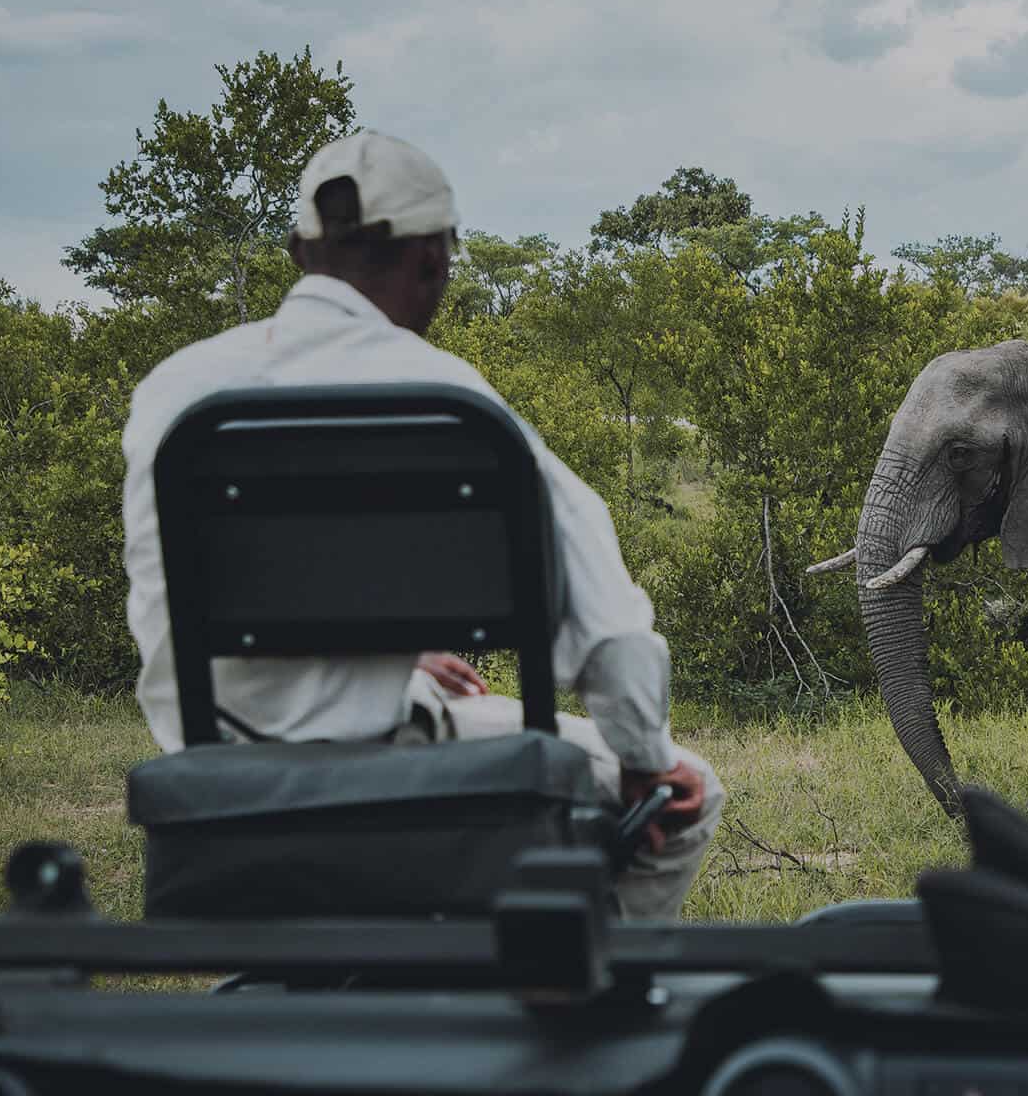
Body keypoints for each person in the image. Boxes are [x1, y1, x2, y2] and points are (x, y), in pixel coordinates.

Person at [119, 129, 724, 920]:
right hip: (383, 765)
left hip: (215, 775)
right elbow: (608, 628)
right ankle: (580, 1008)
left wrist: (381, 656)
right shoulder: (443, 398)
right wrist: (643, 762)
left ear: (301, 254)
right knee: (693, 791)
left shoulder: (179, 390)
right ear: (434, 260)